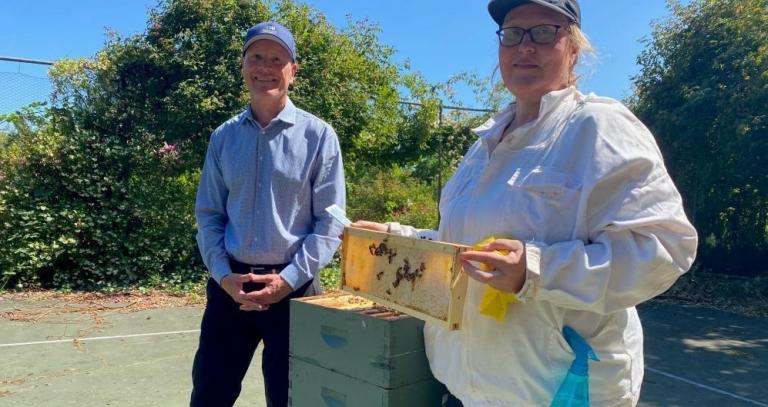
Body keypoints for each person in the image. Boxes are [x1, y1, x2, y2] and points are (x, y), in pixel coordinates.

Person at [352, 1, 697, 405]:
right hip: (467, 387)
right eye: (513, 33)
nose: (525, 46)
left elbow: (663, 249)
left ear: (574, 47)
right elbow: (468, 245)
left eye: (543, 32)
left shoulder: (599, 128)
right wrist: (399, 237)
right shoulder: (483, 145)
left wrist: (536, 270)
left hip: (559, 390)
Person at [191, 21, 345, 407]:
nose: (266, 67)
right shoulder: (223, 138)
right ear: (243, 65)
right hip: (230, 288)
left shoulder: (320, 136)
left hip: (295, 291)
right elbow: (209, 214)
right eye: (256, 56)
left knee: (293, 399)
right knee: (209, 395)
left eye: (277, 58)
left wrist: (289, 280)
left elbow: (331, 222)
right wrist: (224, 276)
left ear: (293, 70)